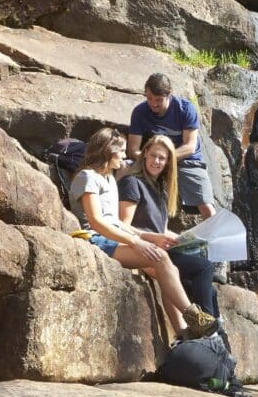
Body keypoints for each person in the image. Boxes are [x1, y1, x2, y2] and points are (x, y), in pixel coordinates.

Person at [68, 127, 217, 339]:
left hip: (113, 239)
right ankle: (195, 317)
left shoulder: (109, 178)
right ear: (107, 151)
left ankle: (183, 332)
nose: (125, 155)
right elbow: (97, 222)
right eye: (120, 151)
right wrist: (136, 242)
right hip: (95, 240)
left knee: (167, 270)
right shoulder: (87, 176)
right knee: (160, 257)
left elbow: (116, 222)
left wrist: (149, 238)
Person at [117, 134, 220, 331]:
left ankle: (200, 330)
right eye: (153, 155)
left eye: (162, 158)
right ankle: (207, 325)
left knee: (208, 284)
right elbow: (122, 225)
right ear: (145, 153)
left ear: (168, 162)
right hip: (142, 248)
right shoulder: (132, 183)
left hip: (160, 246)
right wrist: (153, 237)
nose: (156, 161)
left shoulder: (160, 188)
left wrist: (184, 238)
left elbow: (158, 227)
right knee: (203, 267)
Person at [127, 73, 215, 219]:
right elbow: (133, 150)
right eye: (149, 99)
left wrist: (165, 159)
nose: (153, 104)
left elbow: (190, 146)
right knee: (127, 171)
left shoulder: (185, 109)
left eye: (158, 100)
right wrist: (151, 159)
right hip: (152, 160)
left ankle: (215, 236)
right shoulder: (139, 112)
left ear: (169, 95)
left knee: (207, 206)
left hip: (186, 160)